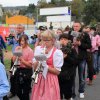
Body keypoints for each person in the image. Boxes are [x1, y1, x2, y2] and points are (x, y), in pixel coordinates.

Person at [31, 30, 63, 100]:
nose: (44, 42)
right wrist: (40, 57)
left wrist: (45, 66)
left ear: (53, 40)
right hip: (39, 78)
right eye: (43, 40)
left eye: (47, 40)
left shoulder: (57, 52)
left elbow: (57, 72)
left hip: (50, 80)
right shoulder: (38, 49)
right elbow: (35, 67)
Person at [7, 24, 28, 98]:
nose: (18, 29)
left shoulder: (25, 36)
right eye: (17, 28)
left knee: (22, 75)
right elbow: (8, 43)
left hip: (23, 58)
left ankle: (23, 90)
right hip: (14, 58)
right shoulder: (13, 35)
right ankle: (13, 91)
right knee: (12, 75)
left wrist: (16, 38)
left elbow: (27, 43)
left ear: (23, 29)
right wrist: (10, 37)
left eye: (20, 28)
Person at [12, 34, 34, 100]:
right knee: (17, 91)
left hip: (26, 72)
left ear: (27, 41)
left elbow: (30, 66)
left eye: (23, 41)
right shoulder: (17, 48)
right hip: (18, 70)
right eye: (21, 41)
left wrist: (22, 61)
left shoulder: (30, 51)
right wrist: (16, 52)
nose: (22, 43)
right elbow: (13, 61)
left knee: (25, 92)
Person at [58, 34, 78, 100]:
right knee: (58, 93)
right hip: (58, 74)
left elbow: (75, 62)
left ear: (68, 41)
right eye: (61, 39)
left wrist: (66, 57)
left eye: (65, 39)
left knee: (68, 93)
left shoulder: (72, 50)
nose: (63, 41)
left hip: (68, 75)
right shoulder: (56, 49)